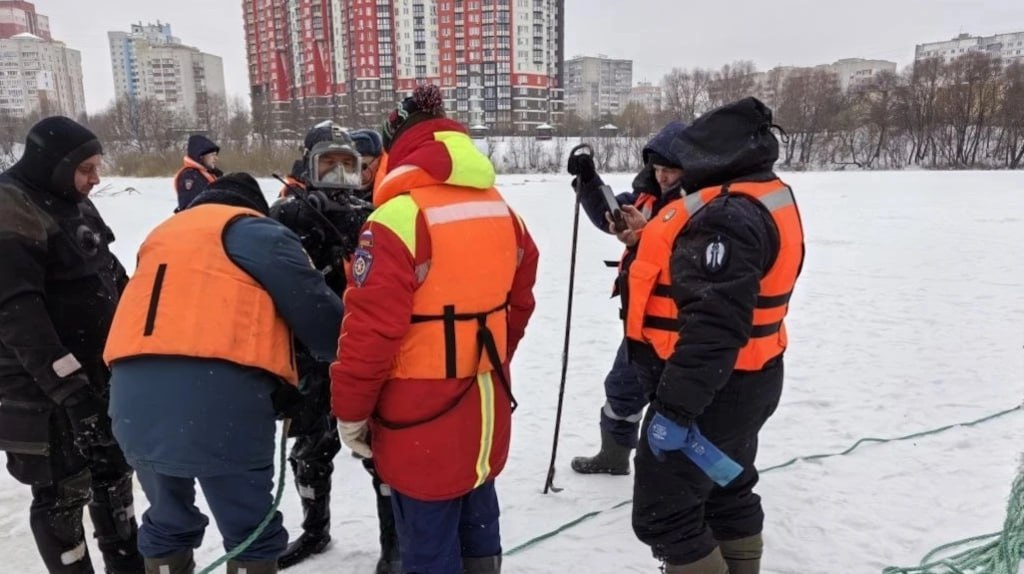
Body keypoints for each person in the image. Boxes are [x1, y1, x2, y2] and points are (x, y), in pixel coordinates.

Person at [330, 84, 539, 574]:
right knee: (478, 513)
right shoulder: (504, 212)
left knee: (427, 542)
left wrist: (351, 414)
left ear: (396, 147)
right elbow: (520, 305)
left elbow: (369, 333)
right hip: (486, 405)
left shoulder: (397, 219)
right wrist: (484, 356)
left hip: (418, 419)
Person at [104, 173, 344, 574]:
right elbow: (320, 318)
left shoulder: (164, 234)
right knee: (250, 529)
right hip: (219, 399)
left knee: (166, 521)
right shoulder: (256, 231)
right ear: (251, 207)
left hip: (131, 398)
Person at [625, 98, 805, 574]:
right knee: (726, 489)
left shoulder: (727, 214)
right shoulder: (761, 193)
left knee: (665, 515)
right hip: (749, 378)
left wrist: (675, 410)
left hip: (714, 390)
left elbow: (713, 327)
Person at [0, 116, 144, 573]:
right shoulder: (11, 205)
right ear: (54, 164)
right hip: (40, 388)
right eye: (86, 168)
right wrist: (69, 388)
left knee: (114, 478)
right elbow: (19, 314)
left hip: (99, 373)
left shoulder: (75, 204)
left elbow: (110, 274)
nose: (95, 179)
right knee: (64, 493)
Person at [269, 122, 396, 572]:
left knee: (379, 455)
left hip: (361, 354)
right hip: (307, 357)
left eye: (350, 164)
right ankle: (315, 528)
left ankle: (393, 547)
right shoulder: (285, 217)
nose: (341, 174)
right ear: (308, 164)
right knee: (309, 451)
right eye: (330, 163)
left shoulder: (375, 214)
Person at [566, 121, 687, 475]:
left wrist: (644, 237)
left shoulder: (700, 204)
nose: (663, 177)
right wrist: (589, 183)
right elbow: (608, 216)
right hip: (641, 319)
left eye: (671, 170)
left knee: (678, 403)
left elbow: (687, 254)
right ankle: (614, 457)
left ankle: (678, 475)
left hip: (681, 324)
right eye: (659, 169)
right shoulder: (646, 197)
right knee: (622, 389)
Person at [174, 134, 222, 212]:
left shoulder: (209, 174)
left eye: (216, 155)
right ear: (201, 156)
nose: (216, 158)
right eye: (212, 155)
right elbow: (190, 209)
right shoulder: (190, 176)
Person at [349, 128, 385, 202]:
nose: (357, 174)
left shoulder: (391, 193)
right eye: (351, 167)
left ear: (379, 161)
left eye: (363, 167)